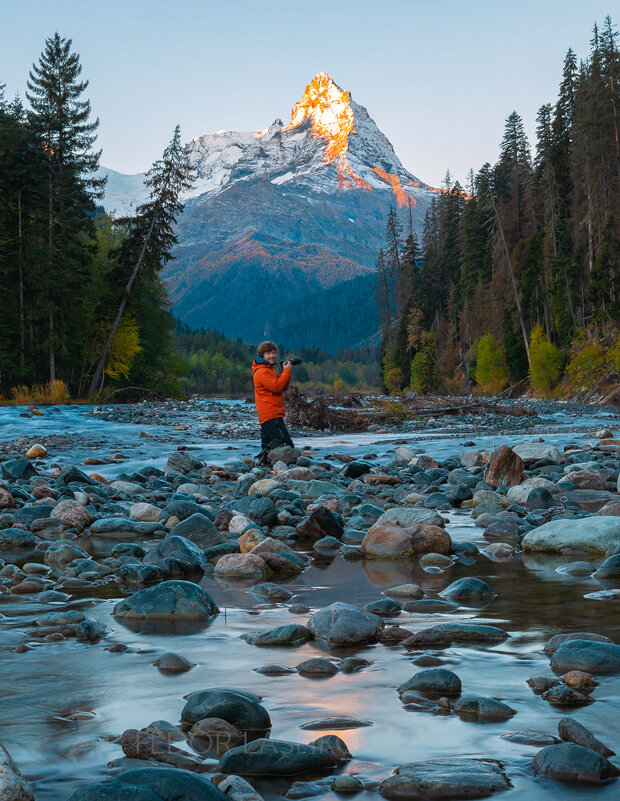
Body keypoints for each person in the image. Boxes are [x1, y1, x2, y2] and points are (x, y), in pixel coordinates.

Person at [252, 341, 295, 463]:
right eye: (268, 353)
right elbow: (277, 387)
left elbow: (282, 387)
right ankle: (282, 467)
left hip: (270, 413)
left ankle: (263, 465)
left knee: (268, 443)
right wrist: (286, 371)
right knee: (285, 444)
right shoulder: (262, 372)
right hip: (271, 414)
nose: (272, 356)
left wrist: (285, 372)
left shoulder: (268, 370)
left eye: (273, 353)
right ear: (262, 355)